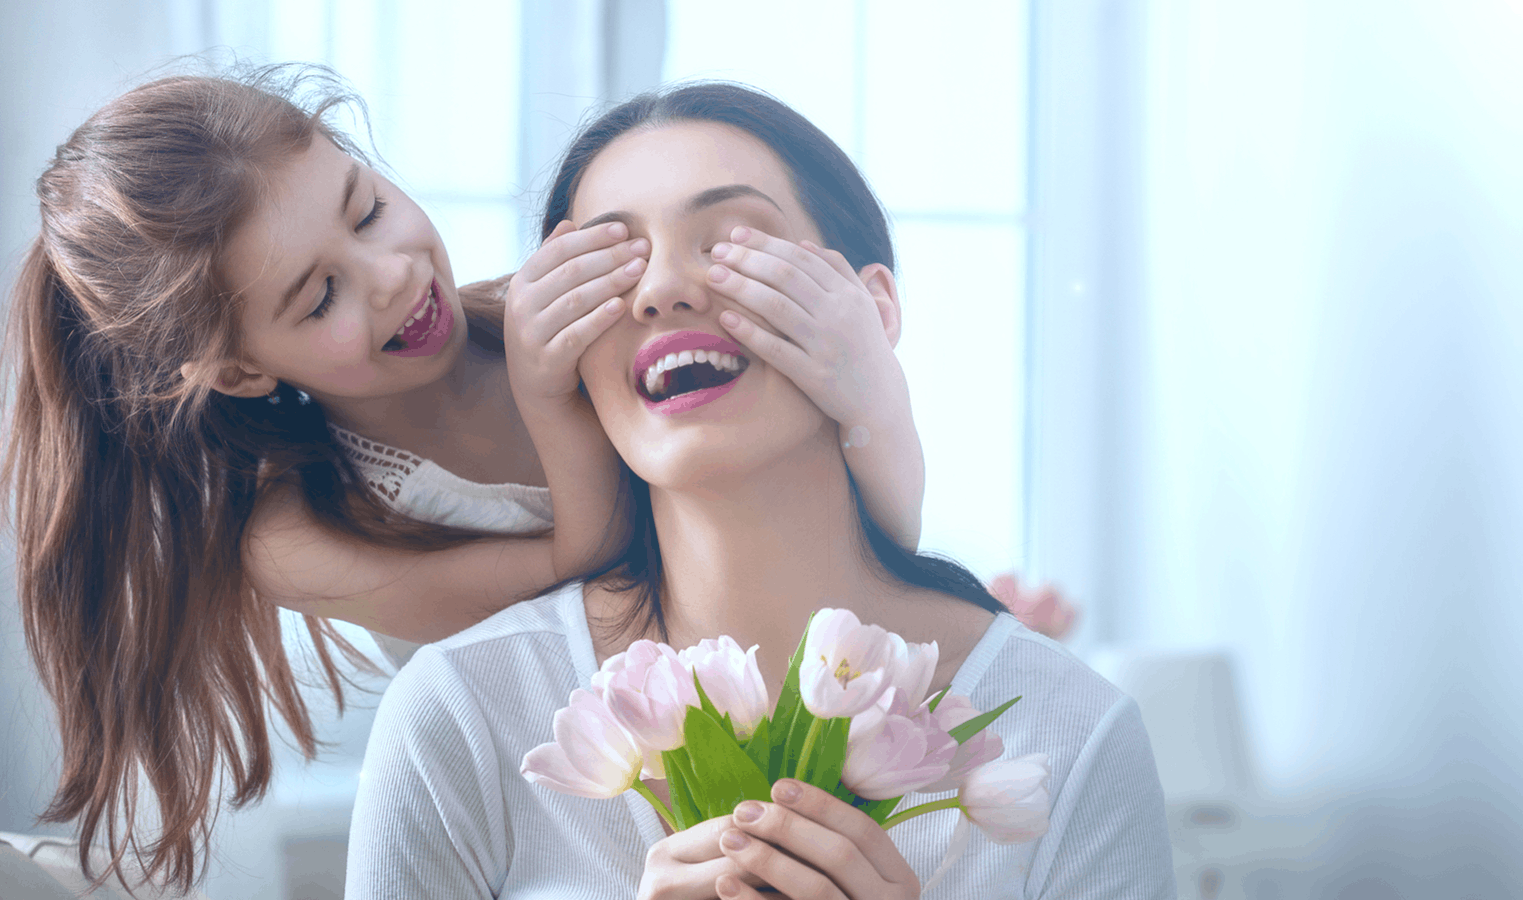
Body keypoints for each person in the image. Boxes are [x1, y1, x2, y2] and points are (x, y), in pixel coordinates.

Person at [1, 65, 925, 894]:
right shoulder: (296, 535)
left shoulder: (541, 314)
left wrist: (871, 388)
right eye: (318, 297)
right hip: (561, 793)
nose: (392, 274)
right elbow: (590, 580)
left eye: (366, 210)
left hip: (752, 701)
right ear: (242, 369)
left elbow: (871, 534)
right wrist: (549, 400)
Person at [344, 82, 1176, 900]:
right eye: (610, 263)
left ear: (871, 308)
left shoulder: (1070, 735)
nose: (661, 289)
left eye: (733, 242)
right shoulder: (463, 713)